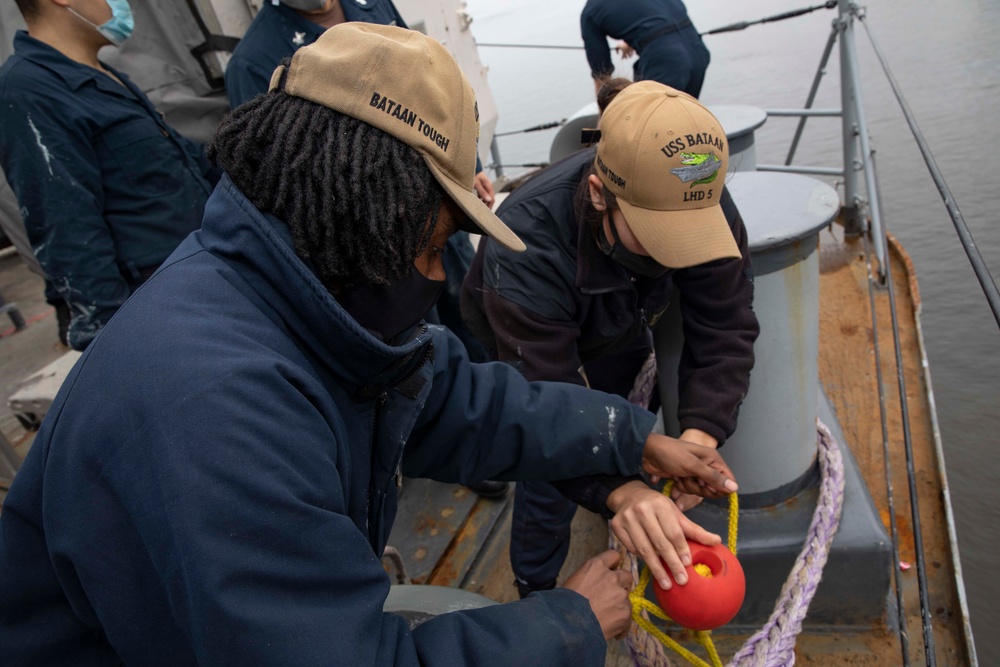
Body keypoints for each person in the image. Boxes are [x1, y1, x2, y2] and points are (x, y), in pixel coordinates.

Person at [0, 25, 739, 666]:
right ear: (368, 211)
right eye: (434, 247)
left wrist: (634, 441)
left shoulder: (289, 296)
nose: (434, 277)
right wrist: (569, 623)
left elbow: (452, 395)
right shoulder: (212, 413)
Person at [461, 80, 759, 597]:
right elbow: (546, 406)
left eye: (691, 234)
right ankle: (536, 585)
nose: (679, 253)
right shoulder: (525, 240)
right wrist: (621, 491)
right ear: (600, 194)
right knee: (546, 460)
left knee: (615, 410)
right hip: (525, 336)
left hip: (621, 318)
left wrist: (698, 438)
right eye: (660, 235)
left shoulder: (694, 189)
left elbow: (724, 323)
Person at [0, 0, 220, 351]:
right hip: (159, 307)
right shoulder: (30, 89)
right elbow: (68, 228)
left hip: (199, 279)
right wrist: (115, 344)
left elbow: (185, 164)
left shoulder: (102, 74)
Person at [224, 0, 495, 206]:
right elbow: (273, 175)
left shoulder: (375, 4)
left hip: (435, 190)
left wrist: (469, 168)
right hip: (369, 218)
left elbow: (429, 76)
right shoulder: (250, 64)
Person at [580, 0, 711, 98]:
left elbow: (602, 77)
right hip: (698, 51)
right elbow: (661, 21)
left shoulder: (591, 11)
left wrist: (601, 128)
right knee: (684, 118)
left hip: (666, 62)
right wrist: (632, 41)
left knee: (644, 124)